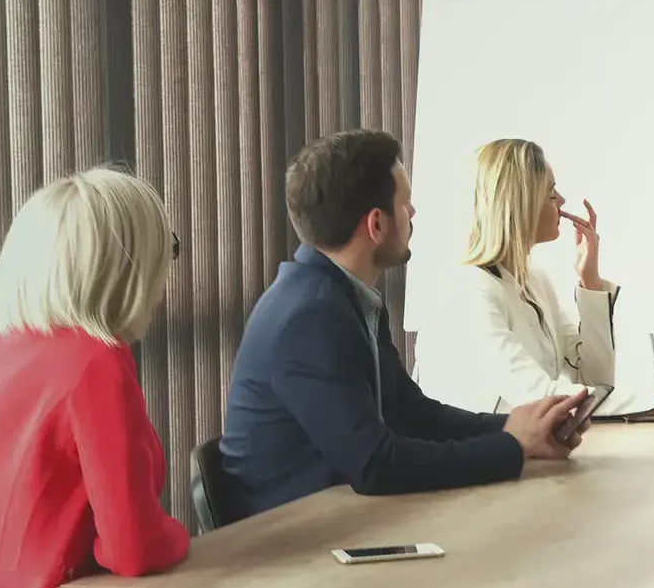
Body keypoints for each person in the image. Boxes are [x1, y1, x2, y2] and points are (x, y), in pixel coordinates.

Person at [221, 130, 585, 518]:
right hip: (288, 544)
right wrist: (513, 446)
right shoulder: (311, 316)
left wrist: (515, 427)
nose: (413, 214)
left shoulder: (340, 295)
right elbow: (375, 464)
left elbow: (412, 413)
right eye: (405, 203)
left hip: (338, 520)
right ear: (376, 224)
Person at [0, 169, 189, 588]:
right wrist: (177, 536)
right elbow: (133, 549)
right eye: (167, 249)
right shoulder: (98, 363)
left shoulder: (0, 353)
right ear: (128, 266)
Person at [419, 138, 654, 422]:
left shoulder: (535, 283)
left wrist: (590, 282)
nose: (562, 201)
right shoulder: (470, 290)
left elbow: (594, 378)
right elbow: (540, 399)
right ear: (521, 205)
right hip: (477, 466)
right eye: (551, 194)